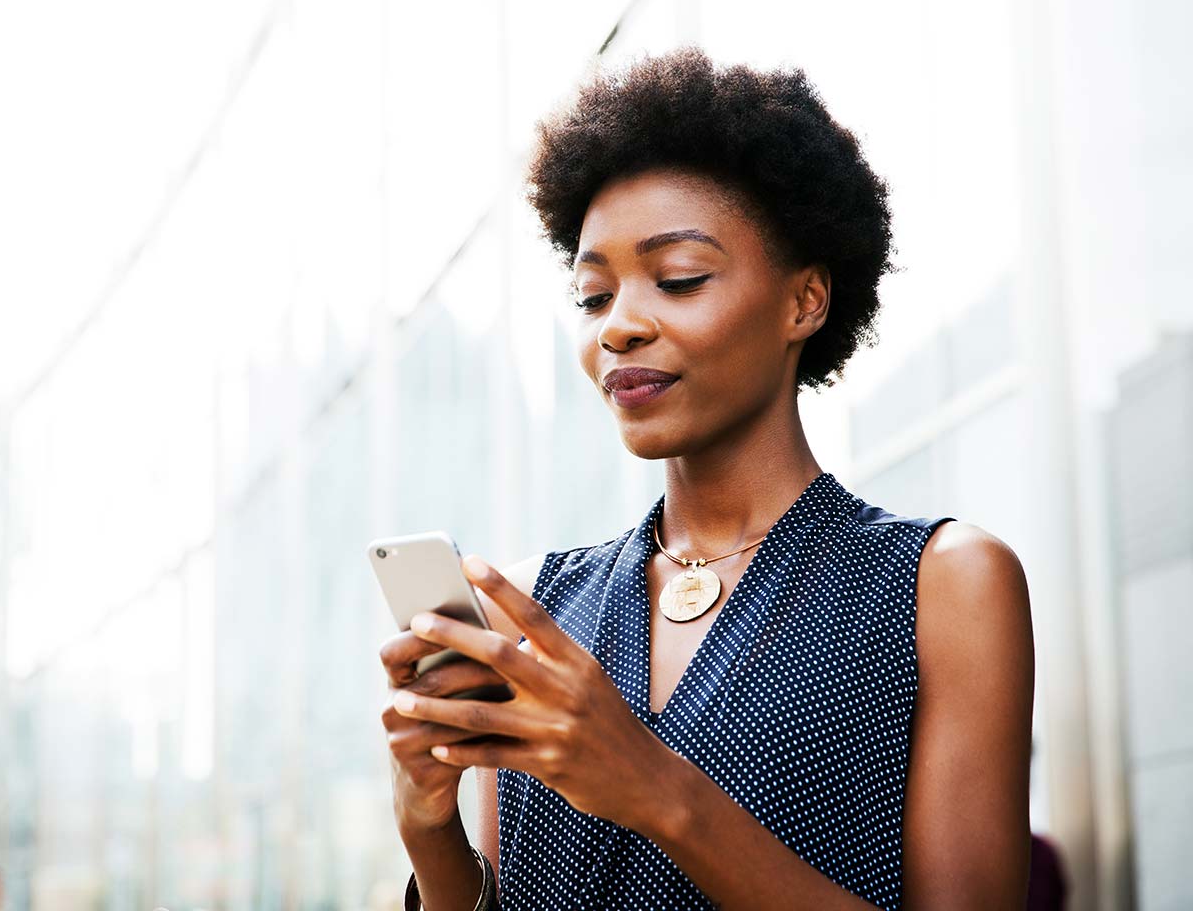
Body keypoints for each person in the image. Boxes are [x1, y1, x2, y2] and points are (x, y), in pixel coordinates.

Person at [379, 45, 1035, 910]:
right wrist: (430, 831)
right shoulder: (537, 608)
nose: (619, 327)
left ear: (804, 302)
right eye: (592, 296)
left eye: (678, 279)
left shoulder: (940, 584)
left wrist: (657, 790)